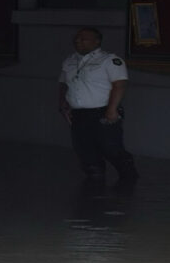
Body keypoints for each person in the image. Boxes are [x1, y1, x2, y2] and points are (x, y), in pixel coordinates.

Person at [58, 27, 139, 185]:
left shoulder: (109, 60)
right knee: (84, 149)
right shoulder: (70, 60)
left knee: (110, 147)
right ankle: (95, 180)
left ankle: (128, 178)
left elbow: (120, 85)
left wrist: (112, 109)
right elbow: (63, 84)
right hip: (80, 113)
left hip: (103, 111)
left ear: (97, 41)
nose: (78, 41)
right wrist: (62, 104)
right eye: (77, 39)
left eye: (83, 38)